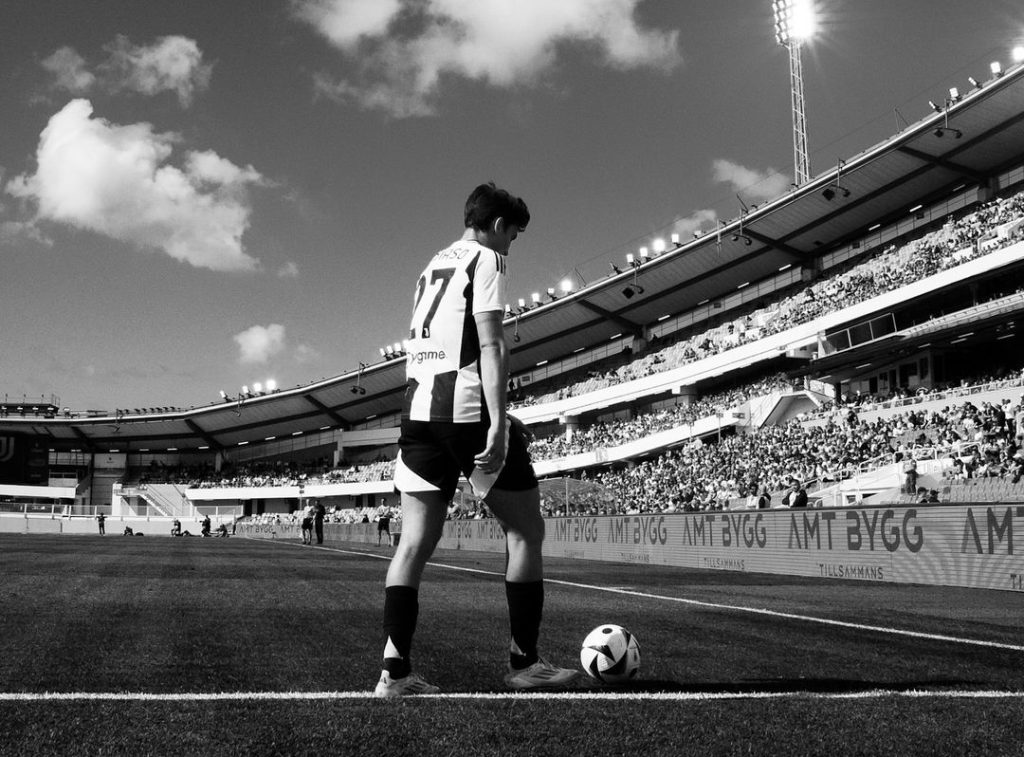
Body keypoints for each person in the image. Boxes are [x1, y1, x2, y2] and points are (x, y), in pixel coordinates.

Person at [374, 182, 578, 697]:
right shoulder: (486, 259)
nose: (512, 245)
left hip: (417, 414)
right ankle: (524, 663)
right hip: (464, 412)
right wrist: (498, 420)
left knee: (414, 543)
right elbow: (491, 343)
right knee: (526, 532)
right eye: (514, 234)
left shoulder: (429, 266)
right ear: (495, 226)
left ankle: (392, 676)